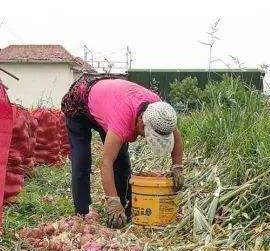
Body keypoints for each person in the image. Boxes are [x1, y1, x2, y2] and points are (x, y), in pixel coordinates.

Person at [61, 74, 184, 228]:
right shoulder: (122, 120)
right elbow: (105, 163)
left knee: (122, 161)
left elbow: (176, 137)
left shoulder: (161, 114)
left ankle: (125, 206)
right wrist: (112, 203)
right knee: (82, 160)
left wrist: (177, 166)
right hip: (81, 103)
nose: (145, 138)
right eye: (146, 134)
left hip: (109, 102)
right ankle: (83, 212)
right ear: (140, 121)